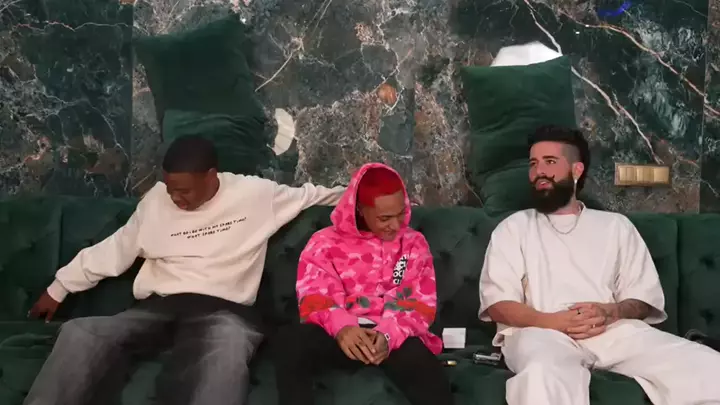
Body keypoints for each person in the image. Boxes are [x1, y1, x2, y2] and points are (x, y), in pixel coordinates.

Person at [24, 135, 346, 405]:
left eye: (184, 191)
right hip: (158, 306)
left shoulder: (256, 195)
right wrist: (59, 287)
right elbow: (116, 249)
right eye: (170, 189)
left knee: (227, 350)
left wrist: (370, 196)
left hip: (224, 310)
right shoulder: (155, 202)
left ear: (211, 176)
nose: (175, 198)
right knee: (80, 333)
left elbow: (322, 195)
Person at [479, 125, 720, 405]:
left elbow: (642, 300)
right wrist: (553, 321)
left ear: (577, 170)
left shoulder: (616, 226)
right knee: (542, 374)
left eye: (550, 161)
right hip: (540, 333)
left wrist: (610, 311)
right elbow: (498, 304)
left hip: (611, 331)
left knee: (707, 365)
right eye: (533, 164)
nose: (539, 171)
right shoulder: (513, 228)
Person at [272, 162, 454, 405]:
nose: (396, 225)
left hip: (392, 335)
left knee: (430, 376)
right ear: (359, 209)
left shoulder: (413, 244)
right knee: (290, 342)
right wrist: (342, 328)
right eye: (385, 218)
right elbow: (315, 294)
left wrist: (387, 335)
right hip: (340, 335)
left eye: (401, 213)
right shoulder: (323, 242)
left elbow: (417, 301)